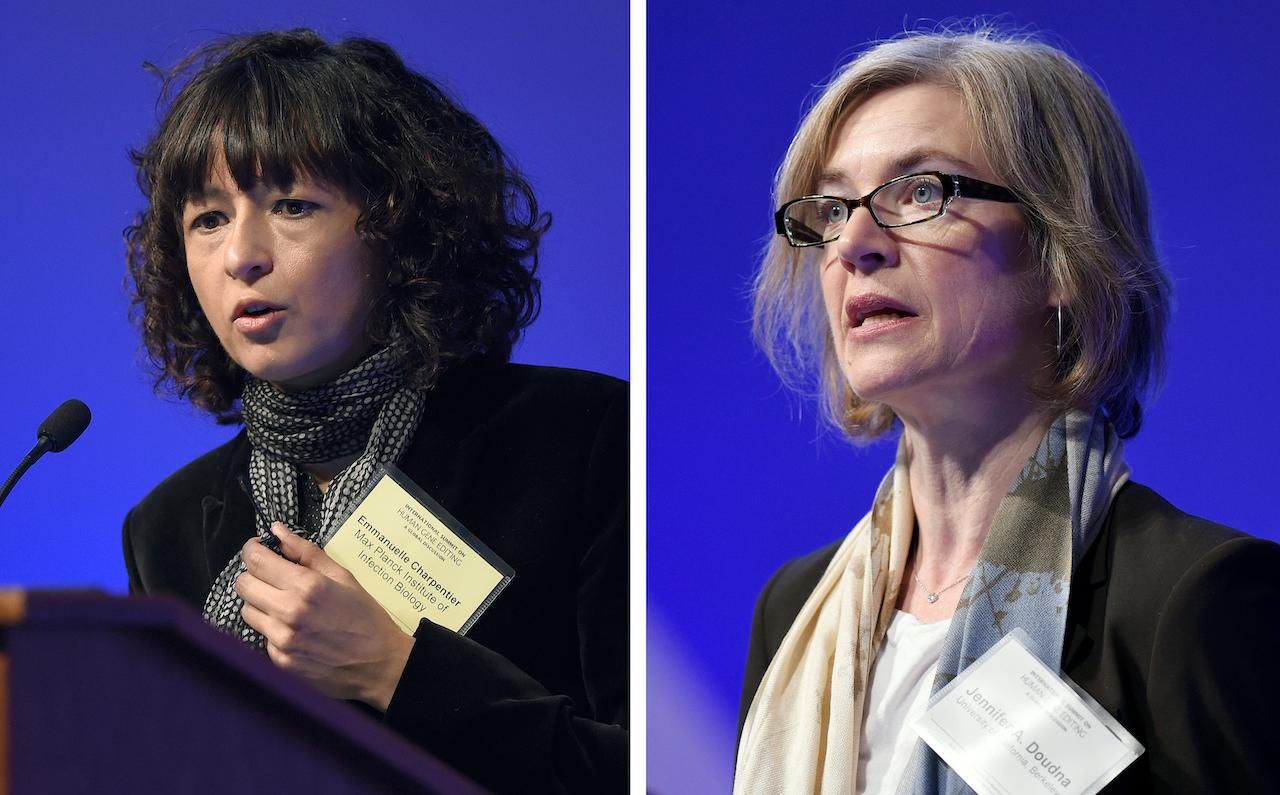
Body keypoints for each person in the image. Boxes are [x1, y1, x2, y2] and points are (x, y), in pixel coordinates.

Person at [736, 29, 1280, 794]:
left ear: (1065, 253)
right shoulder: (792, 609)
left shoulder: (1196, 603)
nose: (854, 242)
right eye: (831, 208)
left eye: (922, 191)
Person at [121, 29, 626, 794]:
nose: (240, 256)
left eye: (291, 205)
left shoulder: (580, 440)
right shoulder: (166, 531)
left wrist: (398, 669)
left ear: (401, 231)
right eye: (208, 218)